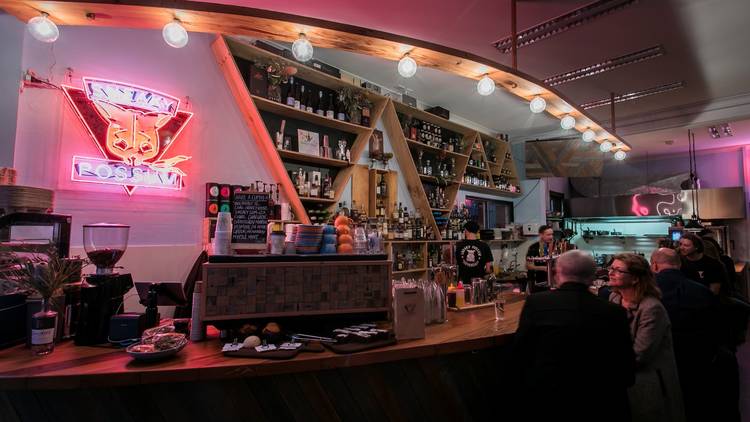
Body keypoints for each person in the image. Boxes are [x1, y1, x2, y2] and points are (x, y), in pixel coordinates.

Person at [511, 250, 635, 422]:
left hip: (547, 397)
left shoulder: (537, 303)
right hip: (601, 402)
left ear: (557, 273)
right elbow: (626, 369)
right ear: (593, 277)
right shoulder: (614, 312)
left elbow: (520, 353)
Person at [608, 253, 685, 422]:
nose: (611, 273)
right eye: (611, 268)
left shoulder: (651, 308)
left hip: (649, 382)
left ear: (635, 279)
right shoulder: (615, 298)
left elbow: (640, 354)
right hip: (624, 378)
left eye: (618, 270)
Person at [651, 248, 720, 422]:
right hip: (698, 357)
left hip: (659, 359)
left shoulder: (646, 291)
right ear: (680, 265)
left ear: (654, 265)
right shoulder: (701, 290)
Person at [525, 225, 556, 292]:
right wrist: (543, 268)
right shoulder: (534, 247)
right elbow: (528, 266)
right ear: (541, 235)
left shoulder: (555, 246)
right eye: (548, 235)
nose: (551, 237)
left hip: (551, 281)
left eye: (552, 234)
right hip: (536, 281)